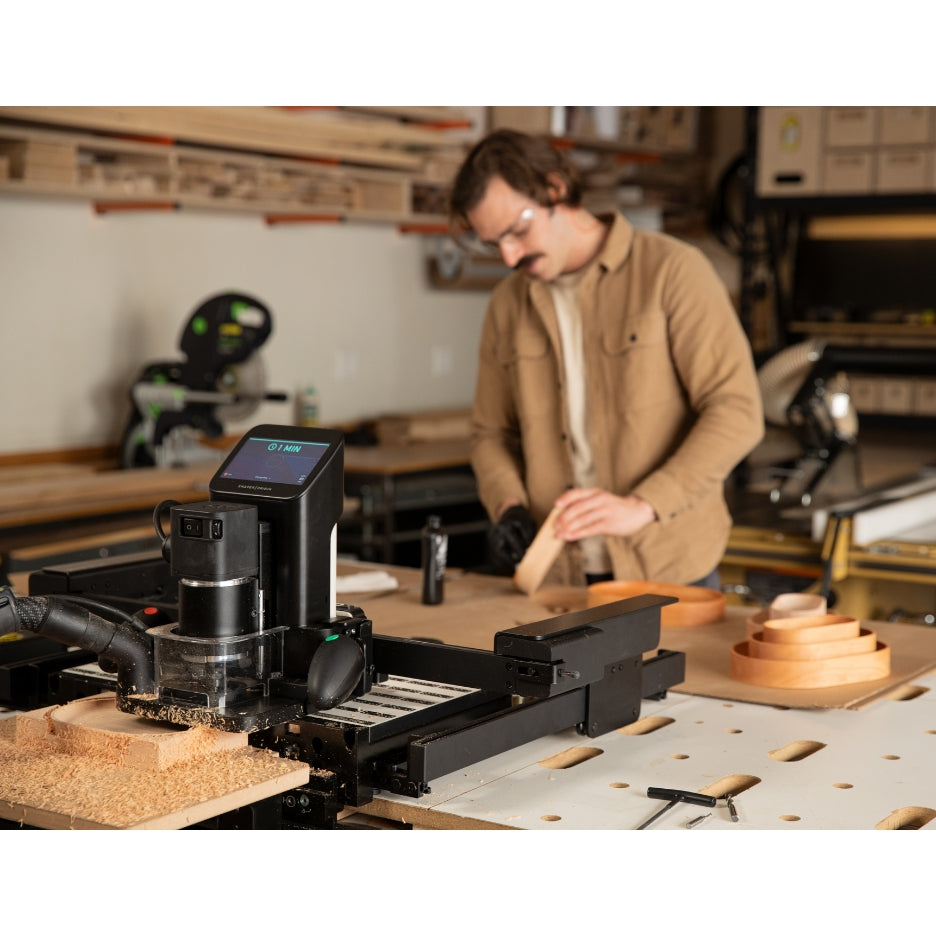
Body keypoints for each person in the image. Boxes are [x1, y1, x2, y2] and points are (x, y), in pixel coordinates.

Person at [449, 128, 764, 589]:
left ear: (555, 189)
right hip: (558, 578)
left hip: (670, 570)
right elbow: (490, 433)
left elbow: (737, 411)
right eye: (493, 243)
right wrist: (507, 505)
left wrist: (642, 505)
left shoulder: (673, 272)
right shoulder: (506, 305)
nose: (510, 255)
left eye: (517, 231)